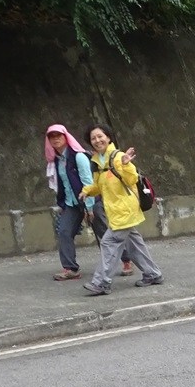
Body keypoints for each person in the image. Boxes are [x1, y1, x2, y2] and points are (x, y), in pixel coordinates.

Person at [79, 124, 165, 295]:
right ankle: (153, 274)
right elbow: (99, 186)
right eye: (93, 138)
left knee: (109, 243)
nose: (97, 140)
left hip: (125, 210)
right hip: (116, 211)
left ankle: (101, 282)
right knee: (133, 244)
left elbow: (132, 179)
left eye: (100, 136)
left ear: (108, 137)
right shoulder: (97, 162)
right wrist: (87, 191)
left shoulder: (118, 157)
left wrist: (126, 165)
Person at [44, 124, 98, 281]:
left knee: (104, 233)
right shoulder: (56, 160)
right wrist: (62, 204)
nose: (55, 139)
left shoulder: (78, 156)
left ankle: (126, 260)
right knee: (64, 232)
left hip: (89, 199)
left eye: (58, 136)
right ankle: (70, 268)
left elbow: (88, 182)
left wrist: (89, 208)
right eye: (52, 137)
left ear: (66, 137)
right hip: (71, 203)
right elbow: (61, 184)